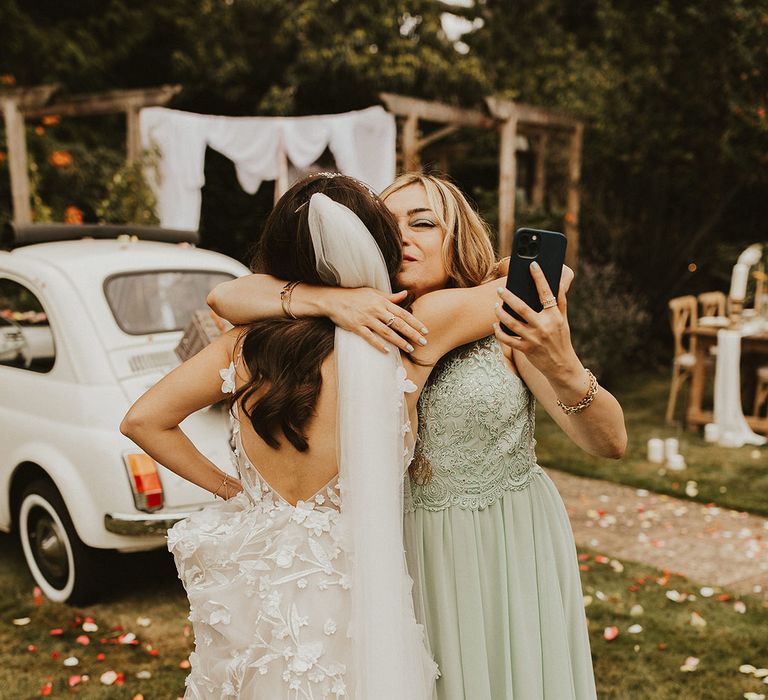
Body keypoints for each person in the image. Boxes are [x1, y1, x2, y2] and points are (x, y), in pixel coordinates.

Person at [209, 172, 627, 700]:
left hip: (505, 541)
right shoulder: (354, 324)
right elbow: (227, 294)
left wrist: (563, 364)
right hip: (395, 546)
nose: (403, 235)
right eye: (387, 223)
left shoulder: (507, 325)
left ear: (458, 238)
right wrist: (328, 301)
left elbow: (609, 444)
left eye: (424, 222)